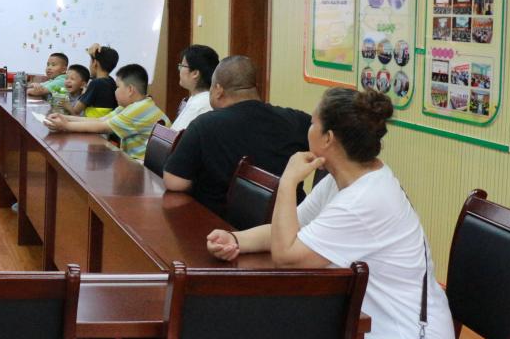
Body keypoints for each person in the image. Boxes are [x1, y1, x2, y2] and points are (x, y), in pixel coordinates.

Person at [205, 88, 455, 339]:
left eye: (313, 123)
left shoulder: (364, 200)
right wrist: (236, 240)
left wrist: (288, 181)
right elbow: (289, 230)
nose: (307, 128)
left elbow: (285, 256)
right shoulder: (346, 179)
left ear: (328, 139)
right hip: (372, 331)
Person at [163, 56, 311, 217]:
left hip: (220, 224)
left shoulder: (204, 125)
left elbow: (174, 181)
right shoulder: (298, 121)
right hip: (290, 221)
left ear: (218, 90)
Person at [45, 63, 168, 161]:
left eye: (118, 87)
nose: (115, 91)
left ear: (130, 90)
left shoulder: (138, 109)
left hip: (145, 167)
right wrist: (65, 118)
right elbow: (100, 120)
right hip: (136, 161)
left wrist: (65, 125)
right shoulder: (132, 106)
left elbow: (102, 127)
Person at [172, 44, 220, 130]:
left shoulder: (202, 104)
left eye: (182, 66)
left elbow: (177, 135)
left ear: (195, 73)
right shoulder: (197, 98)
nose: (179, 70)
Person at [75, 43, 119, 118]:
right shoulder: (111, 81)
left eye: (90, 62)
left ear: (95, 63)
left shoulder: (96, 83)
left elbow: (76, 110)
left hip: (92, 123)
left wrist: (65, 103)